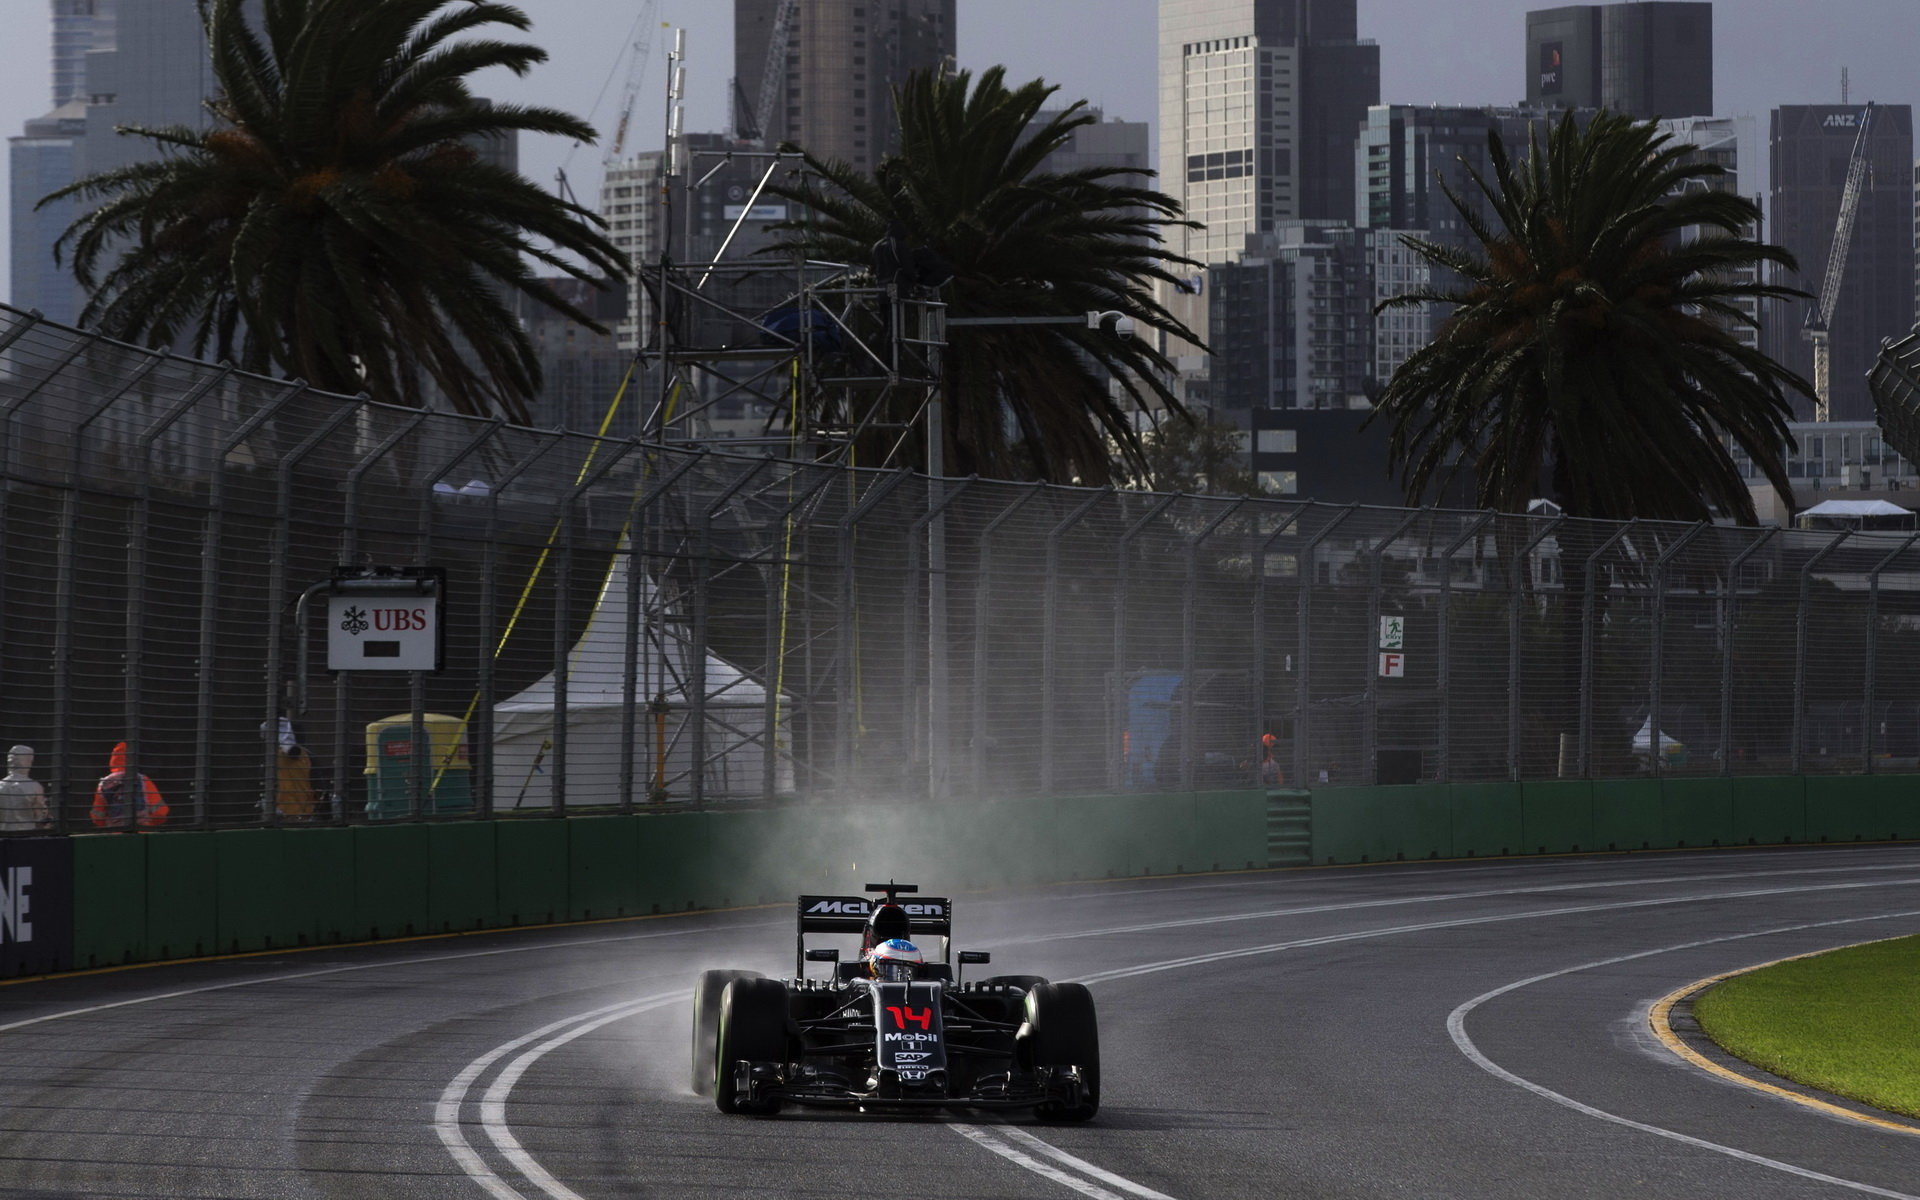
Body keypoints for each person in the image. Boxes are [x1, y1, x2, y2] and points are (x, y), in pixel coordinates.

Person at [91, 743, 168, 829]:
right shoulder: (142, 780)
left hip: (115, 835)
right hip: (141, 832)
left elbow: (97, 817)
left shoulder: (104, 784)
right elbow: (160, 812)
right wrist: (150, 824)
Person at [0, 746, 49, 832]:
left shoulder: (1, 785)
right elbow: (40, 817)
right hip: (26, 836)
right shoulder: (34, 786)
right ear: (27, 762)